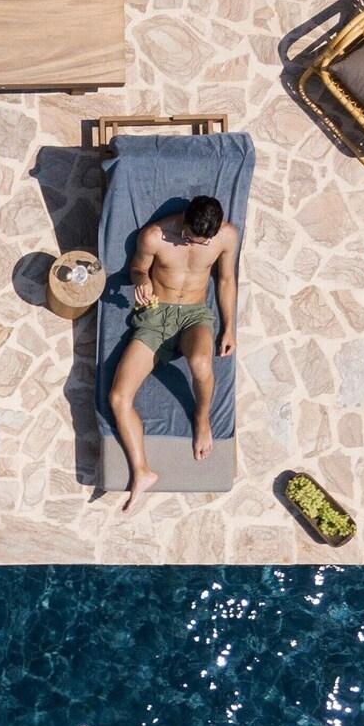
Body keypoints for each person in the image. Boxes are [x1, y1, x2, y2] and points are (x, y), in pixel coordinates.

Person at [108, 194, 239, 512]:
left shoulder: (226, 236)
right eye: (188, 237)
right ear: (184, 221)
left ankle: (202, 418)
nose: (192, 244)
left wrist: (229, 328)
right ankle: (142, 471)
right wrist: (142, 280)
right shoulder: (155, 236)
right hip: (155, 318)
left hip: (194, 316)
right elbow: (137, 268)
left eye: (202, 242)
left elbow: (225, 280)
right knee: (118, 398)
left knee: (200, 363)